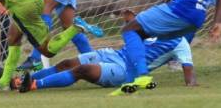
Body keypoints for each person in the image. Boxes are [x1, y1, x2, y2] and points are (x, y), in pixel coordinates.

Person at [12, 36, 196, 95]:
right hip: (113, 54)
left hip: (125, 71)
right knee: (66, 63)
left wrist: (192, 84)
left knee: (81, 71)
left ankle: (34, 85)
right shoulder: (155, 22)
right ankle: (21, 81)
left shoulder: (181, 43)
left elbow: (189, 73)